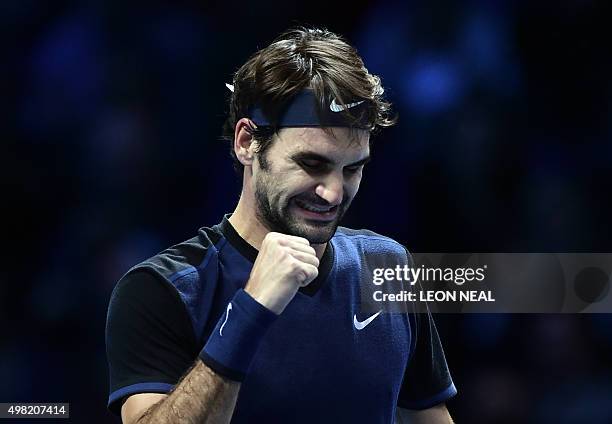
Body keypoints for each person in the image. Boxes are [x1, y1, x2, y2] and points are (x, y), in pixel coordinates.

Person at [105, 27, 457, 424]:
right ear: (247, 143)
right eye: (312, 164)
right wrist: (249, 312)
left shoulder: (387, 267)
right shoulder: (162, 288)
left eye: (353, 169)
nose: (333, 193)